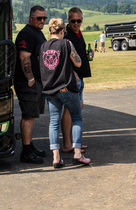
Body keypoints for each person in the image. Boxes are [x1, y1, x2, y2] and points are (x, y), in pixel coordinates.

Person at [39, 18, 91, 168]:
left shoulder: (42, 46)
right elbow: (78, 62)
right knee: (76, 117)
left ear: (50, 31)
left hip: (50, 89)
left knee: (53, 122)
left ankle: (56, 157)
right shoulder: (66, 43)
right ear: (63, 31)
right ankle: (77, 154)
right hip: (65, 88)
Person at [14, 6, 48, 163]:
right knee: (28, 115)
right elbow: (24, 57)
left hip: (36, 82)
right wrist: (30, 79)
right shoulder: (27, 33)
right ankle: (26, 152)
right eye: (39, 18)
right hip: (27, 82)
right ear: (31, 18)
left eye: (44, 18)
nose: (42, 21)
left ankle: (30, 146)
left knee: (32, 115)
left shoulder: (37, 32)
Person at [61, 7, 92, 153]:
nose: (76, 24)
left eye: (79, 21)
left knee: (78, 109)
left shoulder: (79, 33)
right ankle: (68, 144)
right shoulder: (66, 35)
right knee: (69, 110)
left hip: (80, 78)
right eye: (73, 21)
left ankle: (75, 142)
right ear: (68, 20)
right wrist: (73, 73)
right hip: (71, 80)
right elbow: (63, 58)